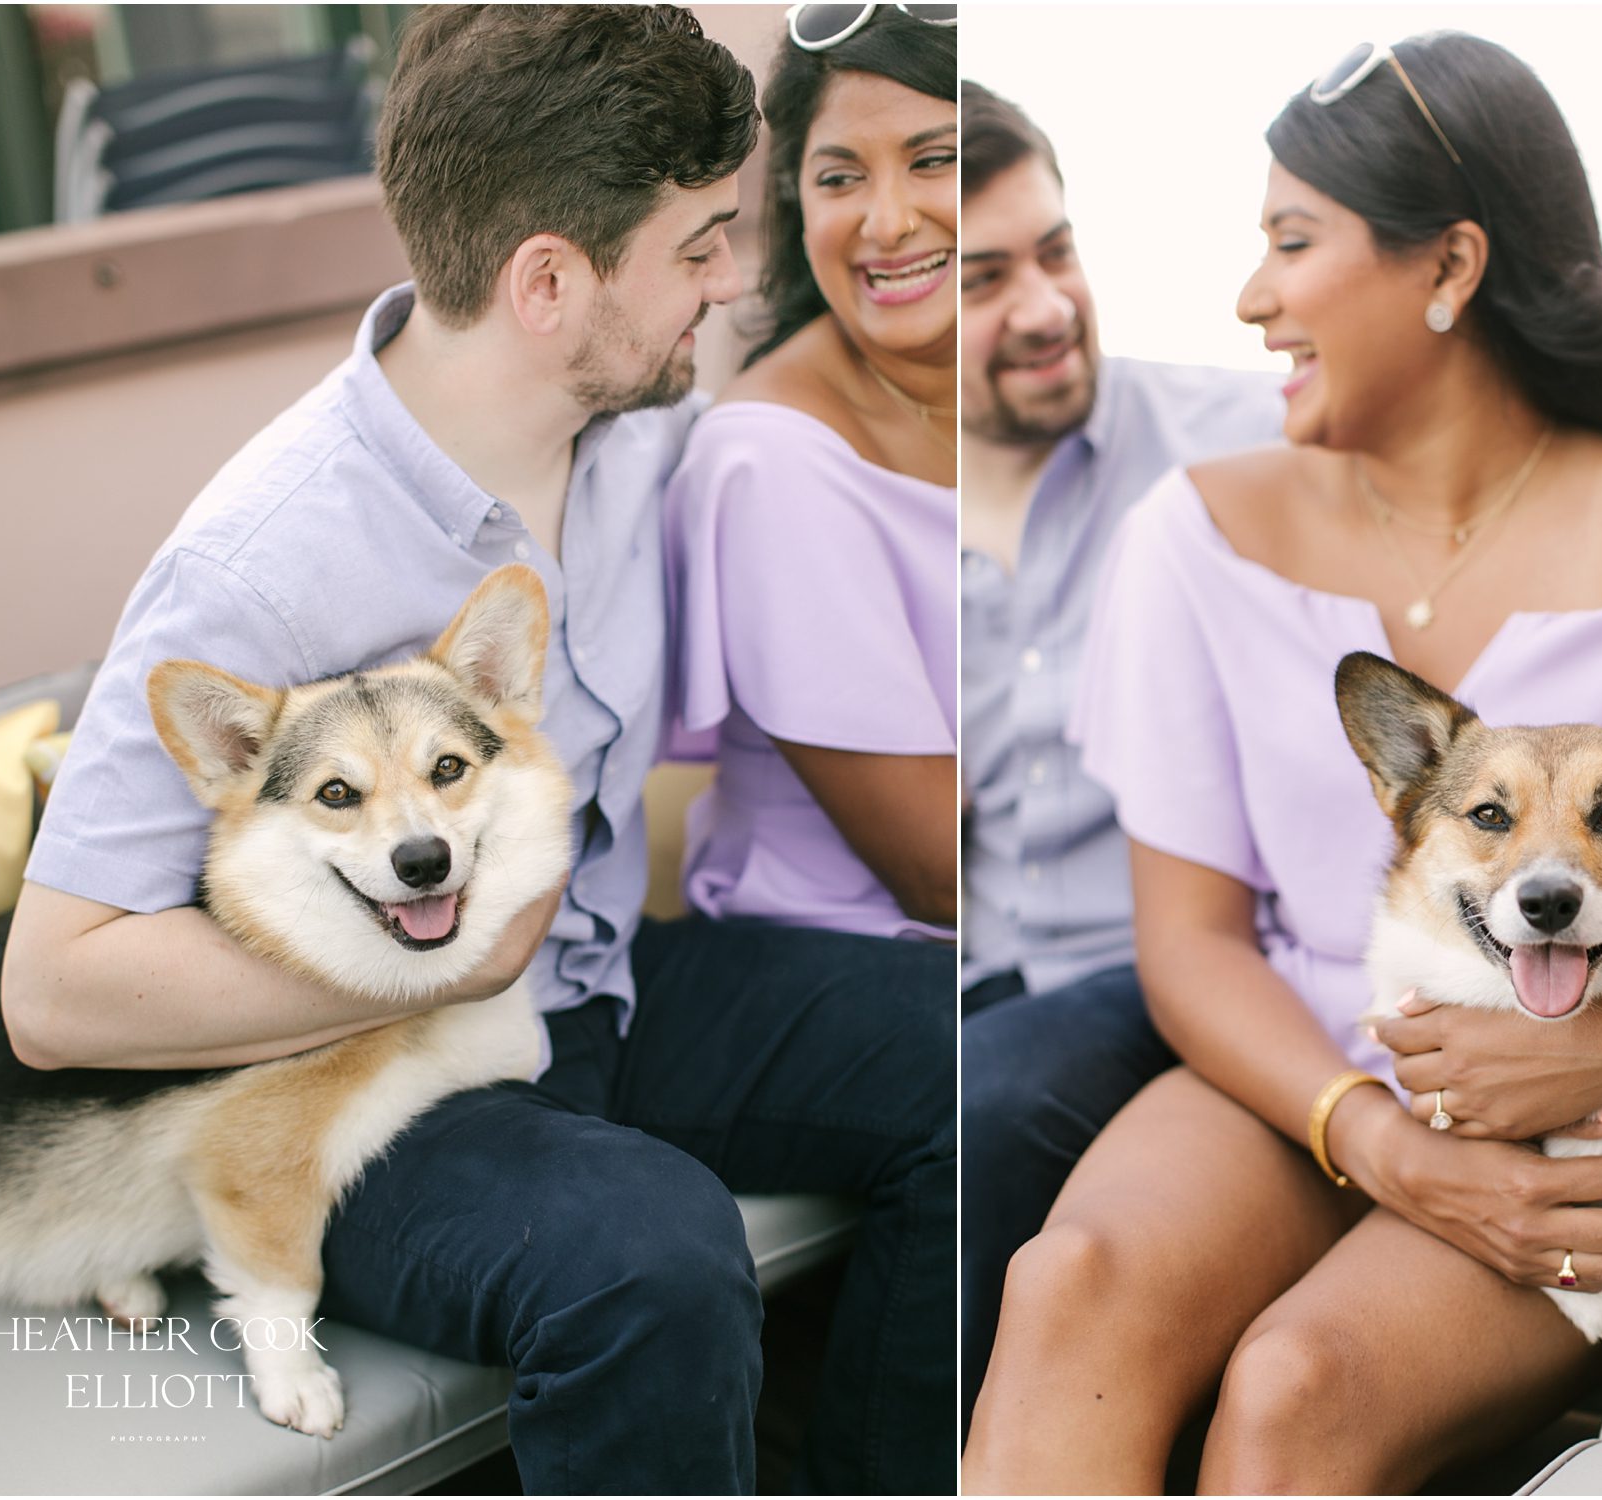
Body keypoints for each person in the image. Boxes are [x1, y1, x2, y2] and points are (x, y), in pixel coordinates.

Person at [960, 35, 1602, 1493]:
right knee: (1070, 1287)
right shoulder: (1195, 534)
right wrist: (1381, 1141)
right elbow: (1192, 941)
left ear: (1451, 266)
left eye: (1293, 243)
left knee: (1300, 1388)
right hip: (1302, 1058)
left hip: (1601, 1118)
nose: (1251, 297)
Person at [0, 8, 944, 1493]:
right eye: (699, 246)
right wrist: (446, 954)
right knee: (652, 1258)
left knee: (968, 1041)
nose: (731, 280)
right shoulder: (255, 566)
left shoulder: (642, 427)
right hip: (374, 1090)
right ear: (551, 282)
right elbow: (50, 991)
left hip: (599, 992)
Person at [657, 8, 960, 1489]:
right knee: (987, 1065)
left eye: (939, 161)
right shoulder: (776, 456)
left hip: (966, 948)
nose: (885, 219)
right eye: (839, 174)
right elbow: (936, 860)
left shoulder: (1058, 409)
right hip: (783, 961)